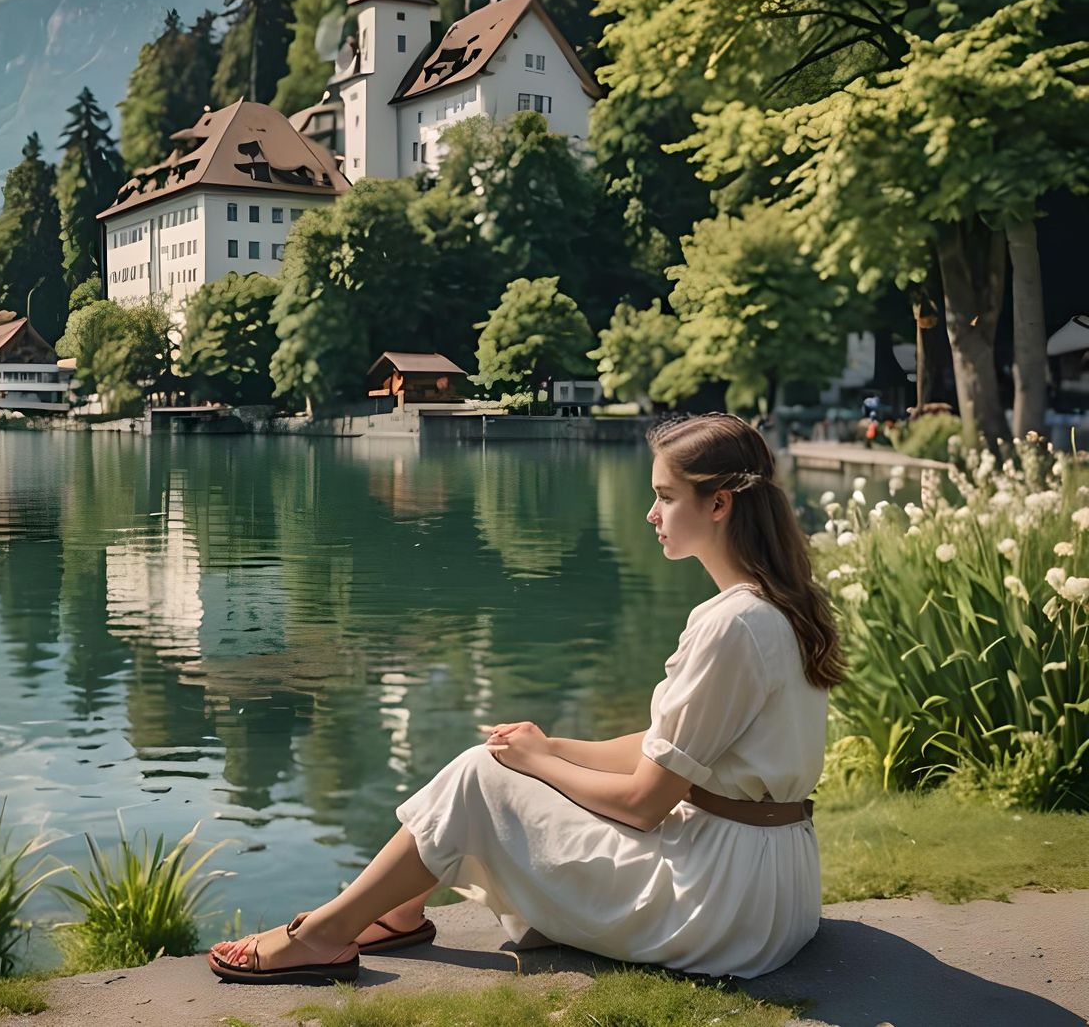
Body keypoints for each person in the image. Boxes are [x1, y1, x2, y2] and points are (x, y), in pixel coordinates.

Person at [209, 412, 847, 985]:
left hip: (716, 905)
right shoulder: (778, 606)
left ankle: (326, 933)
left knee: (478, 775)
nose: (650, 514)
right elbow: (670, 747)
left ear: (719, 505)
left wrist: (537, 765)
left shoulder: (729, 625)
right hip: (775, 889)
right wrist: (550, 746)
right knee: (495, 766)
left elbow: (645, 803)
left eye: (664, 496)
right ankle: (396, 911)